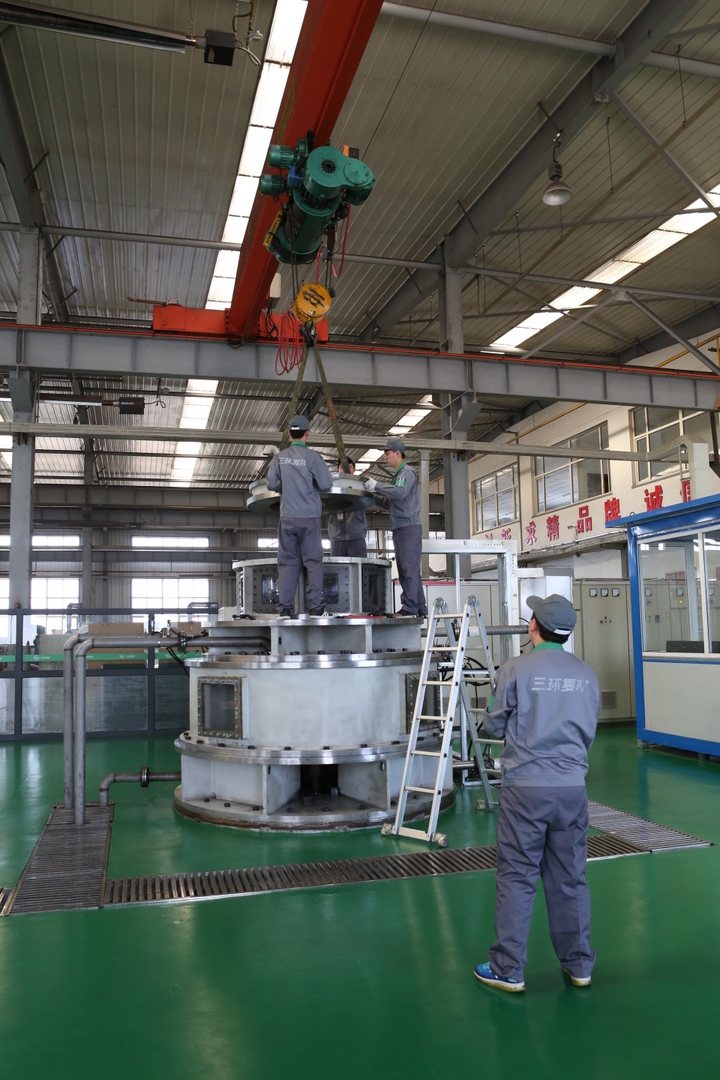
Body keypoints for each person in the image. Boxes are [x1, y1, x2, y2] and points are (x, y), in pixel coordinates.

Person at [474, 594, 601, 993]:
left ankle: (508, 968)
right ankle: (579, 964)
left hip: (526, 790)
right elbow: (589, 732)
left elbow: (493, 726)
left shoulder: (515, 669)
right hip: (572, 789)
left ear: (534, 627)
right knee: (570, 877)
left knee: (517, 873)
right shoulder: (587, 675)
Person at [266, 414, 334, 617]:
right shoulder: (313, 458)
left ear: (289, 433)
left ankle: (285, 609)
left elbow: (271, 484)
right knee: (313, 562)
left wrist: (286, 486)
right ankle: (316, 608)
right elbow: (326, 484)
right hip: (309, 517)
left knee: (287, 563)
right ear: (307, 433)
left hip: (287, 517)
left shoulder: (279, 458)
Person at [364, 438, 427, 617]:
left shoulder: (406, 473)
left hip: (408, 528)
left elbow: (399, 493)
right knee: (409, 569)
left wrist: (377, 485)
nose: (385, 457)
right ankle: (419, 608)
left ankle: (410, 607)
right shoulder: (398, 477)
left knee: (408, 569)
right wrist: (370, 496)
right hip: (401, 528)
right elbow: (390, 502)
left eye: (387, 453)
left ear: (398, 453)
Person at [327, 455, 368, 558]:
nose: (345, 470)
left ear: (354, 469)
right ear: (338, 469)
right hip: (337, 538)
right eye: (342, 467)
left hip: (356, 537)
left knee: (358, 567)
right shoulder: (331, 486)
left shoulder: (361, 486)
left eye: (349, 467)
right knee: (338, 567)